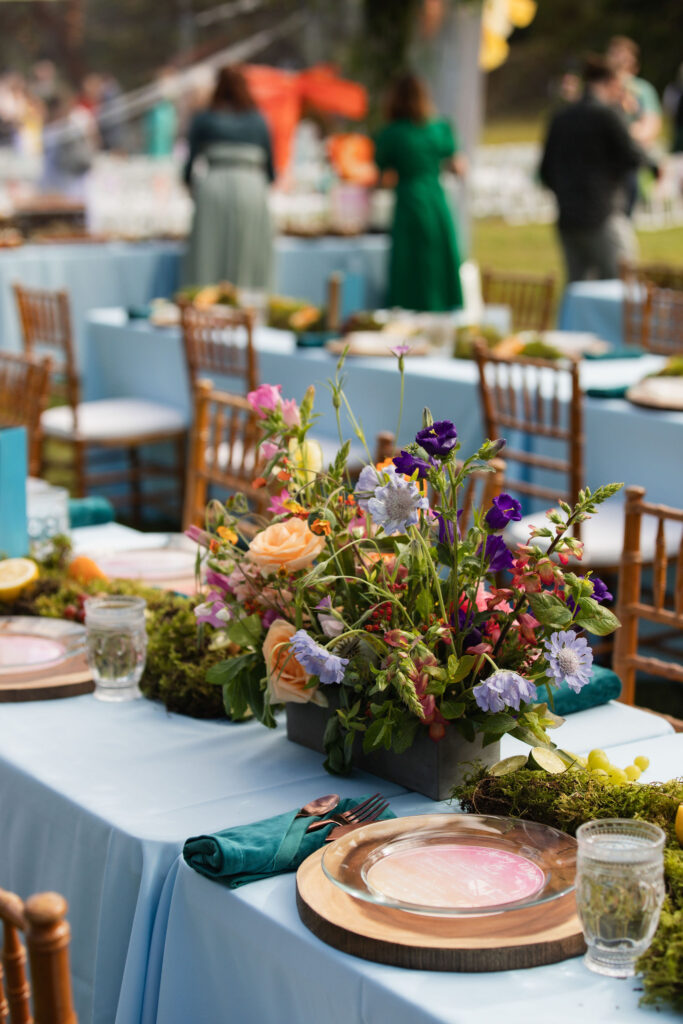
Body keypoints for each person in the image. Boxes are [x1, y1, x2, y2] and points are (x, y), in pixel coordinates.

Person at [539, 57, 657, 282]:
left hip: (568, 217)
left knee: (578, 291)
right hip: (604, 215)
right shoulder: (608, 115)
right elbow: (634, 155)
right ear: (612, 83)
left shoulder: (561, 117)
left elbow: (545, 170)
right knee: (621, 287)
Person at [373, 72, 464, 312]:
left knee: (409, 261)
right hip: (435, 199)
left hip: (409, 200)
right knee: (436, 257)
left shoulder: (392, 133)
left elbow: (383, 177)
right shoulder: (439, 128)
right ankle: (439, 309)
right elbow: (458, 167)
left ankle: (408, 313)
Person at [182, 65, 274, 289]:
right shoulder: (258, 121)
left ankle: (204, 312)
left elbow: (188, 169)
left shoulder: (204, 119)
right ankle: (250, 311)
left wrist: (193, 189)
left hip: (213, 187)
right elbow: (271, 171)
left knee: (208, 258)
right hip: (251, 188)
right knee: (249, 259)